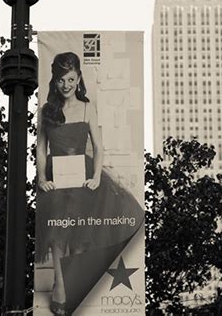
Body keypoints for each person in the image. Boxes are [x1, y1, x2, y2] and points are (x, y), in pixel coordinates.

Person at [36, 52, 144, 316]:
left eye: (71, 78)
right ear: (55, 80)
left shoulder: (86, 107)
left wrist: (96, 177)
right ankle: (60, 285)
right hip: (56, 176)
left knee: (83, 232)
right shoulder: (47, 111)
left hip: (82, 175)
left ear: (79, 78)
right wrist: (42, 178)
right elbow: (40, 147)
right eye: (61, 79)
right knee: (57, 233)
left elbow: (98, 146)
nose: (66, 85)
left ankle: (76, 283)